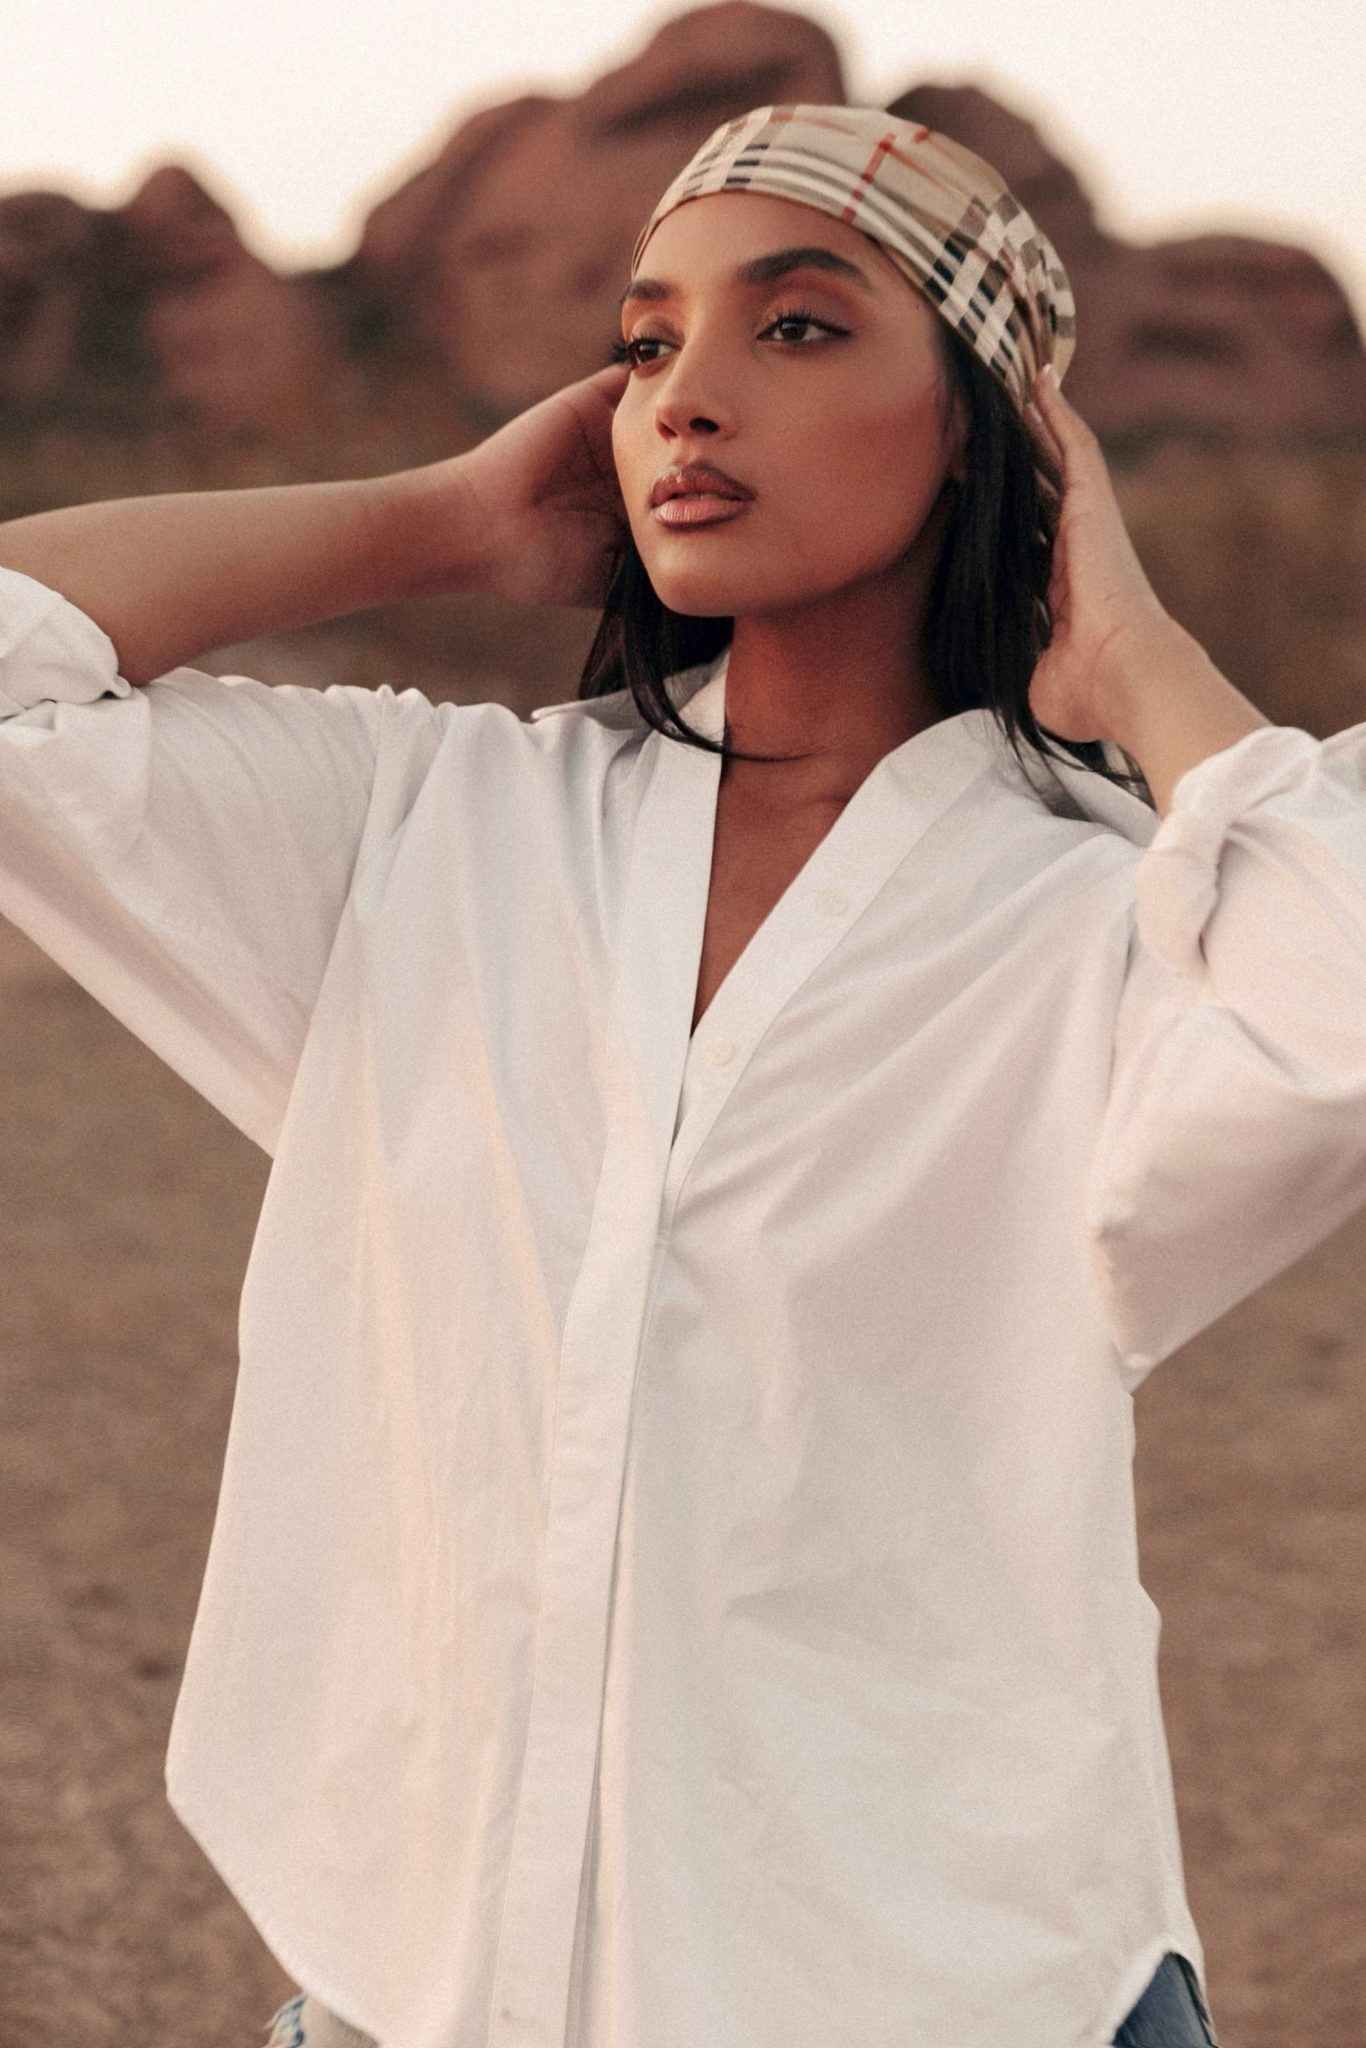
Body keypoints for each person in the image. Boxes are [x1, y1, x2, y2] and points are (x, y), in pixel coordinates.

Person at [4, 100, 1362, 2048]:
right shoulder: (431, 822)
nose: (686, 398)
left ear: (990, 429)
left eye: (795, 326)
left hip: (955, 1998)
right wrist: (445, 519)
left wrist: (1134, 658)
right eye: (643, 346)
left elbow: (1338, 1017)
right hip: (425, 1992)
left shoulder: (1098, 913)